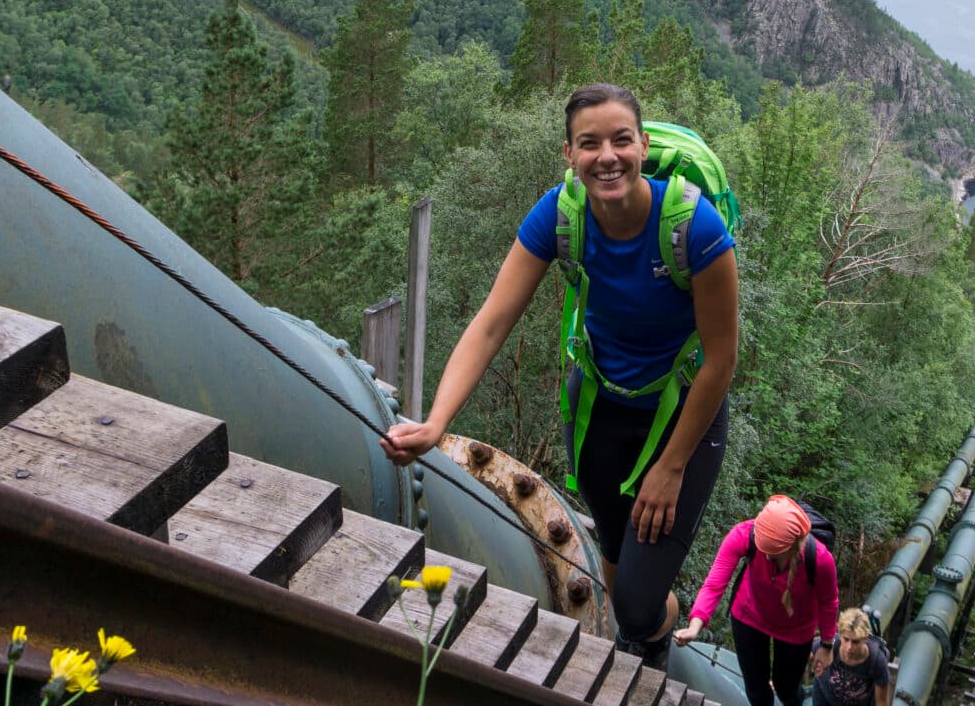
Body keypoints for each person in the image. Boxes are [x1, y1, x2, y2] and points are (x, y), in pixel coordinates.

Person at [381, 83, 739, 669]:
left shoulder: (693, 229)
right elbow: (492, 323)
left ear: (643, 146)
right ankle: (634, 626)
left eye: (622, 140)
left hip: (684, 419)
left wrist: (671, 467)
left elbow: (722, 360)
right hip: (600, 408)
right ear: (569, 155)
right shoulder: (560, 215)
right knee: (617, 565)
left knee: (640, 603)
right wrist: (436, 422)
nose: (608, 156)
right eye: (589, 143)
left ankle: (652, 634)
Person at [676, 495, 840, 706]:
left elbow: (829, 602)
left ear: (792, 546)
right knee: (756, 687)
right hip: (749, 615)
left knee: (786, 688)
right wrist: (694, 625)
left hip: (796, 629)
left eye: (772, 552)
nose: (766, 556)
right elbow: (715, 583)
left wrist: (827, 645)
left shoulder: (819, 559)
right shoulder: (744, 534)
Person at [811, 608, 892, 706]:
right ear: (840, 634)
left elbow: (882, 702)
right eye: (846, 639)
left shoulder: (876, 660)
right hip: (825, 698)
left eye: (855, 642)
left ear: (865, 638)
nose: (849, 647)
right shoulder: (829, 646)